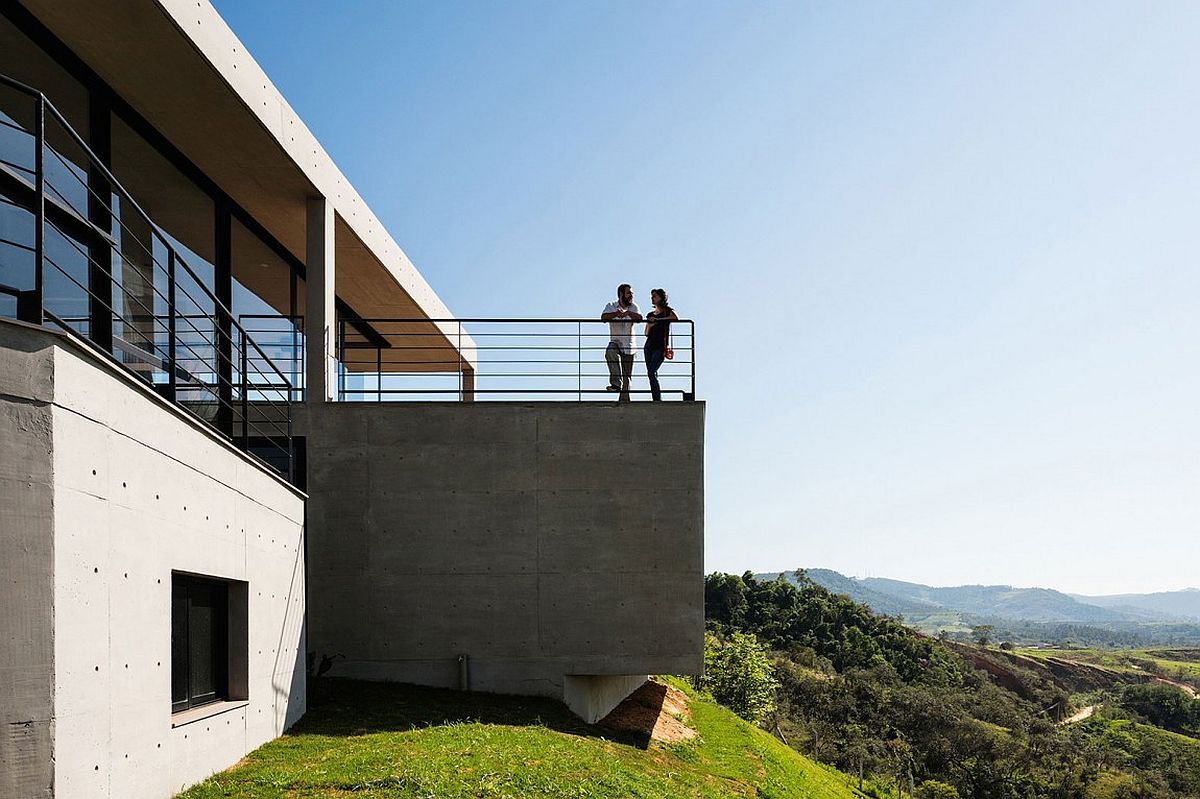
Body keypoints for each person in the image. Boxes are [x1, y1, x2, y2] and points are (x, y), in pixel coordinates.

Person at [601, 283, 642, 400]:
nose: (631, 295)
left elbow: (639, 318)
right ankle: (615, 384)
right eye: (628, 293)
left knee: (627, 377)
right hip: (616, 341)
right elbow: (603, 317)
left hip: (630, 346)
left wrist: (628, 313)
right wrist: (616, 314)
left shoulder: (634, 307)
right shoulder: (611, 305)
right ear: (621, 294)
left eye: (631, 293)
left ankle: (624, 402)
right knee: (610, 352)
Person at [643, 288, 678, 402]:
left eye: (655, 296)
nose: (652, 298)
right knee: (651, 374)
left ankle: (657, 399)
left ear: (661, 298)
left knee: (651, 372)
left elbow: (675, 317)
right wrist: (650, 325)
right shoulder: (650, 314)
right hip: (649, 345)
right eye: (651, 296)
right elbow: (646, 333)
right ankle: (656, 398)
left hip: (660, 346)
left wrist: (658, 320)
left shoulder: (667, 311)